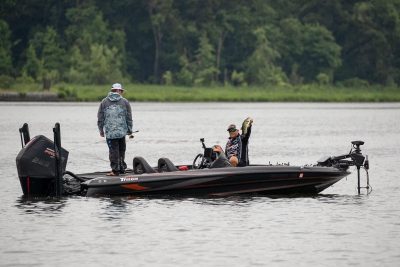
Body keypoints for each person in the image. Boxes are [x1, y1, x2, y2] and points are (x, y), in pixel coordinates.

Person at [97, 83, 133, 176]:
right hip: (122, 132)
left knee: (113, 151)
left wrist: (101, 130)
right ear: (118, 91)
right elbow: (129, 117)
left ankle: (115, 170)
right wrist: (129, 130)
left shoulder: (104, 102)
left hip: (110, 133)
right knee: (121, 150)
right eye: (121, 91)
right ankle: (121, 169)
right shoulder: (125, 102)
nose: (122, 93)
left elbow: (100, 117)